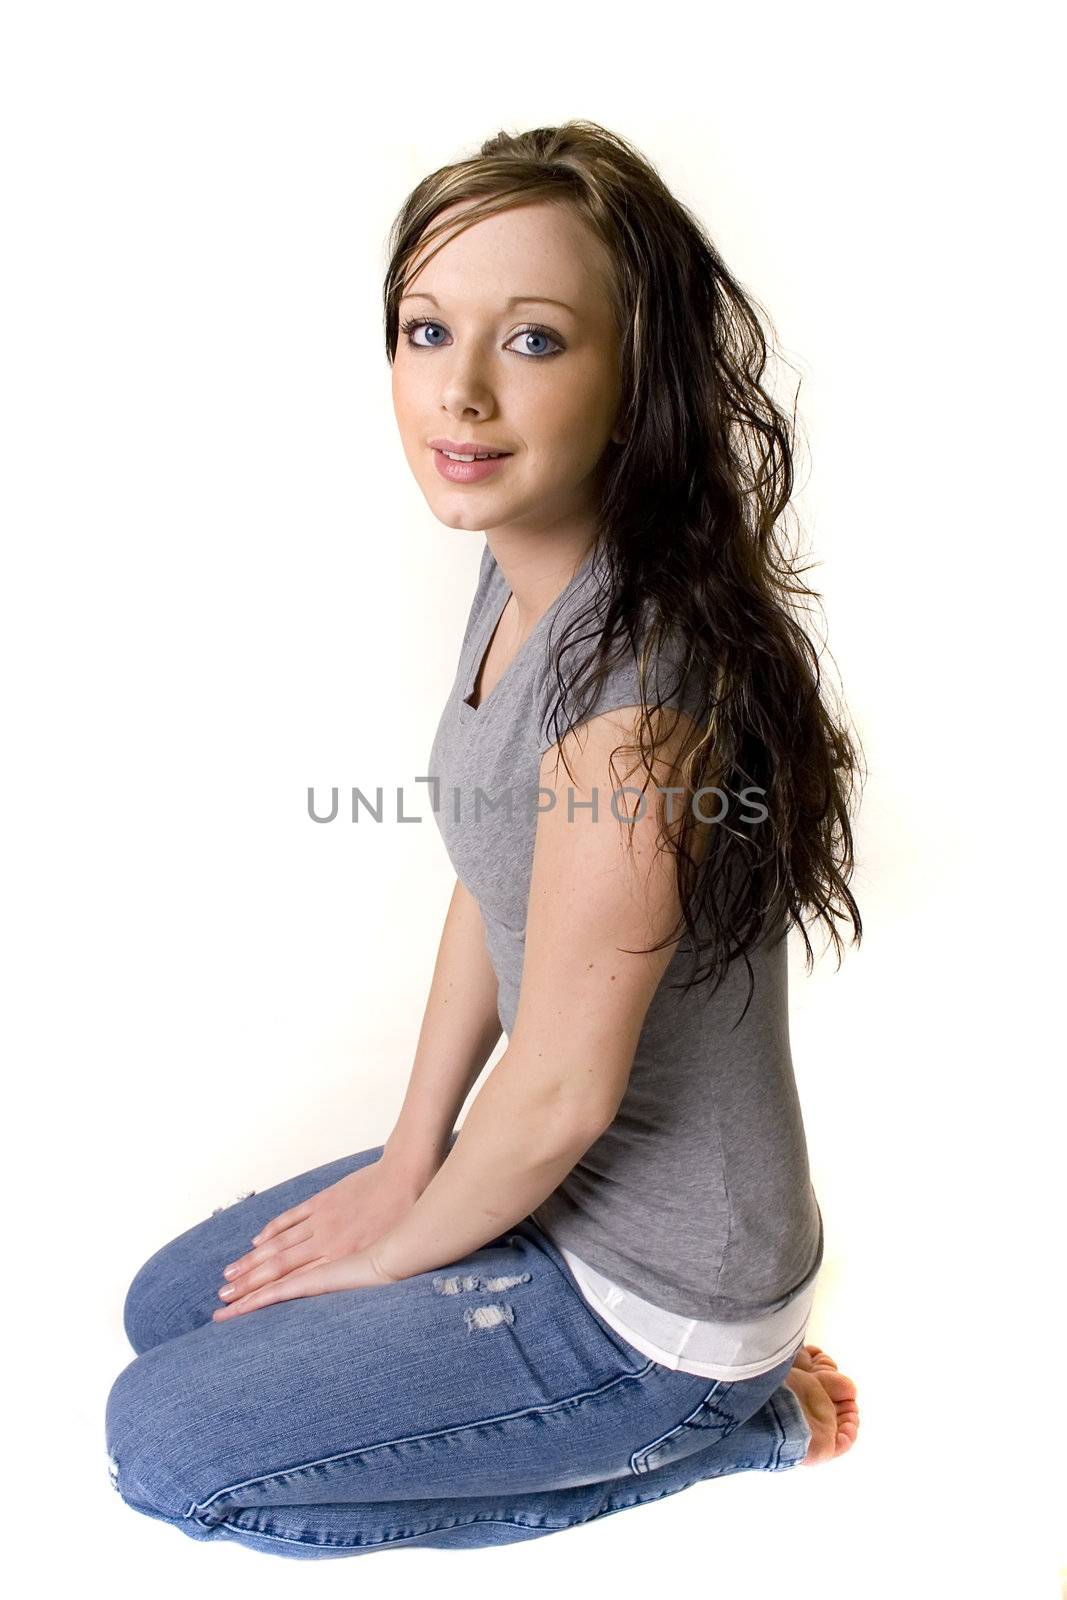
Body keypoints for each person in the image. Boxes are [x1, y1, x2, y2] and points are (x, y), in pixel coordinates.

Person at [106, 119, 861, 1560]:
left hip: (661, 1305)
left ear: (635, 379)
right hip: (556, 1196)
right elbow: (490, 870)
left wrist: (398, 1248)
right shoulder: (527, 572)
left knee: (169, 1453)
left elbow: (565, 1092)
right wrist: (406, 1158)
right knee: (163, 1313)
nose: (457, 390)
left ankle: (729, 1431)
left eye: (532, 341)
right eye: (425, 328)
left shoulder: (636, 710)